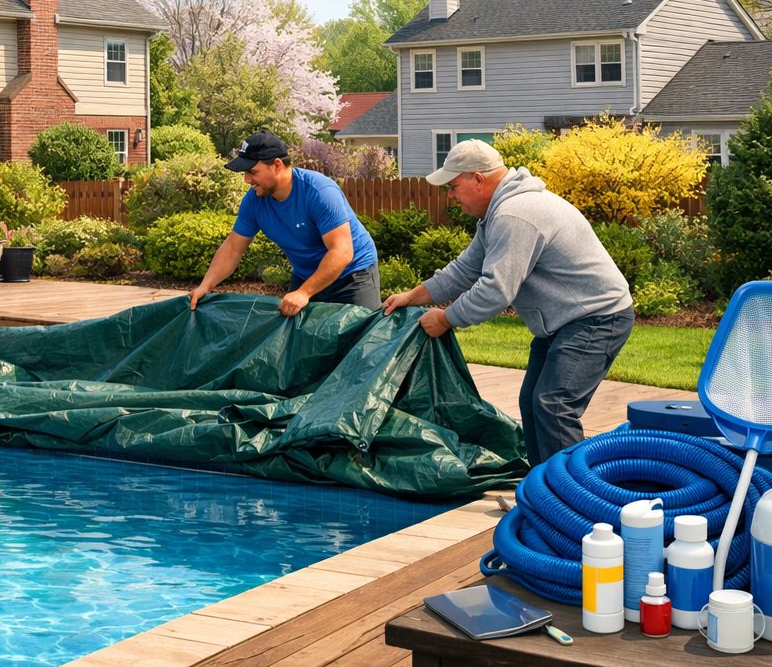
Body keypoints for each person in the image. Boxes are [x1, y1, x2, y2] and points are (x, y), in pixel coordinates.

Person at [382, 139, 633, 466]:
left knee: (554, 406)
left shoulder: (515, 213)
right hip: (564, 321)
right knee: (532, 402)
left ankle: (573, 499)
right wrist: (413, 296)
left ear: (478, 179)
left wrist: (445, 319)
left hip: (597, 317)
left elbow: (495, 290)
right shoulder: (498, 213)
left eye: (454, 186)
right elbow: (464, 271)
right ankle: (542, 490)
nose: (451, 196)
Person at [189, 131, 381, 315]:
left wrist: (304, 293)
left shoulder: (319, 191)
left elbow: (342, 252)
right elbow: (233, 248)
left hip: (353, 276)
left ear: (278, 165)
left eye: (252, 172)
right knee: (299, 342)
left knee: (361, 341)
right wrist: (205, 286)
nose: (247, 180)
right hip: (306, 275)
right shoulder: (254, 201)